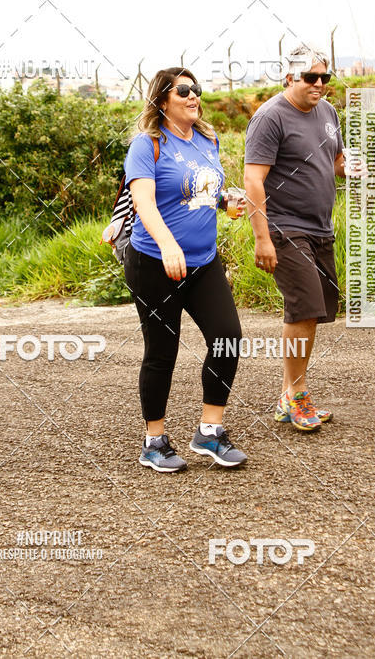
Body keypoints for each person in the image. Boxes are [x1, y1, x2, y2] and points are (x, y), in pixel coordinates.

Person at [123, 66, 248, 472]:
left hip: (202, 262)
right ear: (162, 100)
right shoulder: (147, 144)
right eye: (183, 91)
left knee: (227, 336)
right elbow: (144, 202)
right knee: (162, 351)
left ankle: (209, 432)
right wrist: (167, 243)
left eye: (196, 90)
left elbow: (203, 193)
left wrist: (226, 203)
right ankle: (154, 441)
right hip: (153, 262)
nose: (194, 96)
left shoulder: (206, 140)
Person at [244, 45, 346, 433]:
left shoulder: (328, 113)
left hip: (320, 227)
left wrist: (347, 164)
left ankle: (289, 395)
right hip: (284, 227)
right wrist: (262, 238)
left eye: (325, 77)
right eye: (310, 77)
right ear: (289, 78)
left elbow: (334, 162)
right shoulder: (271, 117)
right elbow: (253, 178)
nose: (319, 84)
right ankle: (298, 395)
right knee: (302, 309)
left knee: (314, 311)